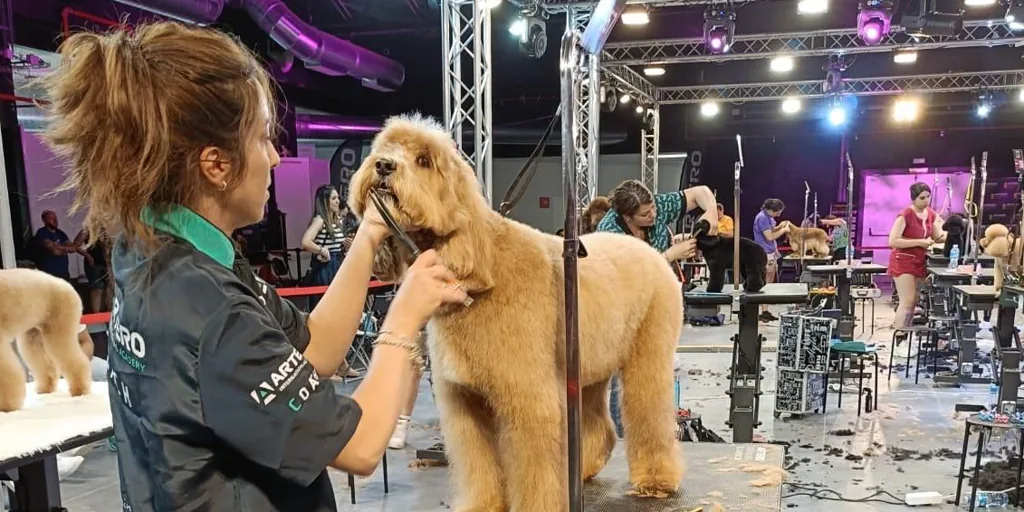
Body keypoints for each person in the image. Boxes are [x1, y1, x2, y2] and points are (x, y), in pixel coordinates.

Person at [39, 21, 468, 510]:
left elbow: (317, 349)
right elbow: (363, 444)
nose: (275, 158)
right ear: (216, 165)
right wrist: (404, 316)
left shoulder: (155, 250)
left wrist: (369, 233)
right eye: (265, 139)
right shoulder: (210, 311)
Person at [594, 179, 718, 437]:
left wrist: (711, 212)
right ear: (626, 216)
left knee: (657, 373)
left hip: (657, 306)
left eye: (652, 209)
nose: (653, 215)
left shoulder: (658, 207)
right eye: (644, 214)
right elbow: (632, 277)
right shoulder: (609, 234)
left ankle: (653, 432)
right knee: (624, 378)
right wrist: (672, 254)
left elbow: (700, 193)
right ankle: (624, 439)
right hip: (624, 310)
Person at [301, 185, 360, 379]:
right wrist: (321, 250)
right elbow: (306, 241)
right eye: (333, 198)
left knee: (337, 320)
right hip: (324, 272)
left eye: (337, 198)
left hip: (336, 268)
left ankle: (340, 364)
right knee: (325, 321)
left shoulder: (336, 221)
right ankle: (328, 367)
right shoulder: (320, 220)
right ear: (325, 201)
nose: (337, 201)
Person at [888, 182, 946, 329]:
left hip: (919, 261)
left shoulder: (931, 214)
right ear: (913, 199)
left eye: (928, 197)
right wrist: (920, 242)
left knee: (913, 302)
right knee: (907, 301)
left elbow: (938, 236)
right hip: (903, 260)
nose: (926, 201)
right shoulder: (905, 215)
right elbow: (893, 241)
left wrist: (956, 232)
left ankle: (904, 332)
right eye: (922, 198)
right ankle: (899, 334)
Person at [753, 198, 790, 322]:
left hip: (771, 253)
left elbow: (772, 230)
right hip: (764, 253)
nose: (779, 215)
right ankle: (762, 310)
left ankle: (765, 310)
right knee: (764, 283)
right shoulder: (762, 218)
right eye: (777, 212)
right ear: (770, 210)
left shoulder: (768, 217)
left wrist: (779, 227)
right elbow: (769, 237)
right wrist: (784, 231)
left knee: (769, 283)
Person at [73, 228, 112, 313]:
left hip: (106, 263)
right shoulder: (87, 230)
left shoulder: (106, 229)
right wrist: (88, 256)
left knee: (109, 288)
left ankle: (109, 312)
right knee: (97, 289)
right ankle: (96, 315)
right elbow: (76, 245)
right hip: (94, 263)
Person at [33, 210, 76, 280]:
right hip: (49, 274)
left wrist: (56, 246)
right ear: (44, 220)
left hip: (64, 273)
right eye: (51, 218)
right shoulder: (42, 232)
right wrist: (65, 250)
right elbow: (55, 252)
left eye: (55, 218)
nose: (55, 220)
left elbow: (73, 248)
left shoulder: (61, 233)